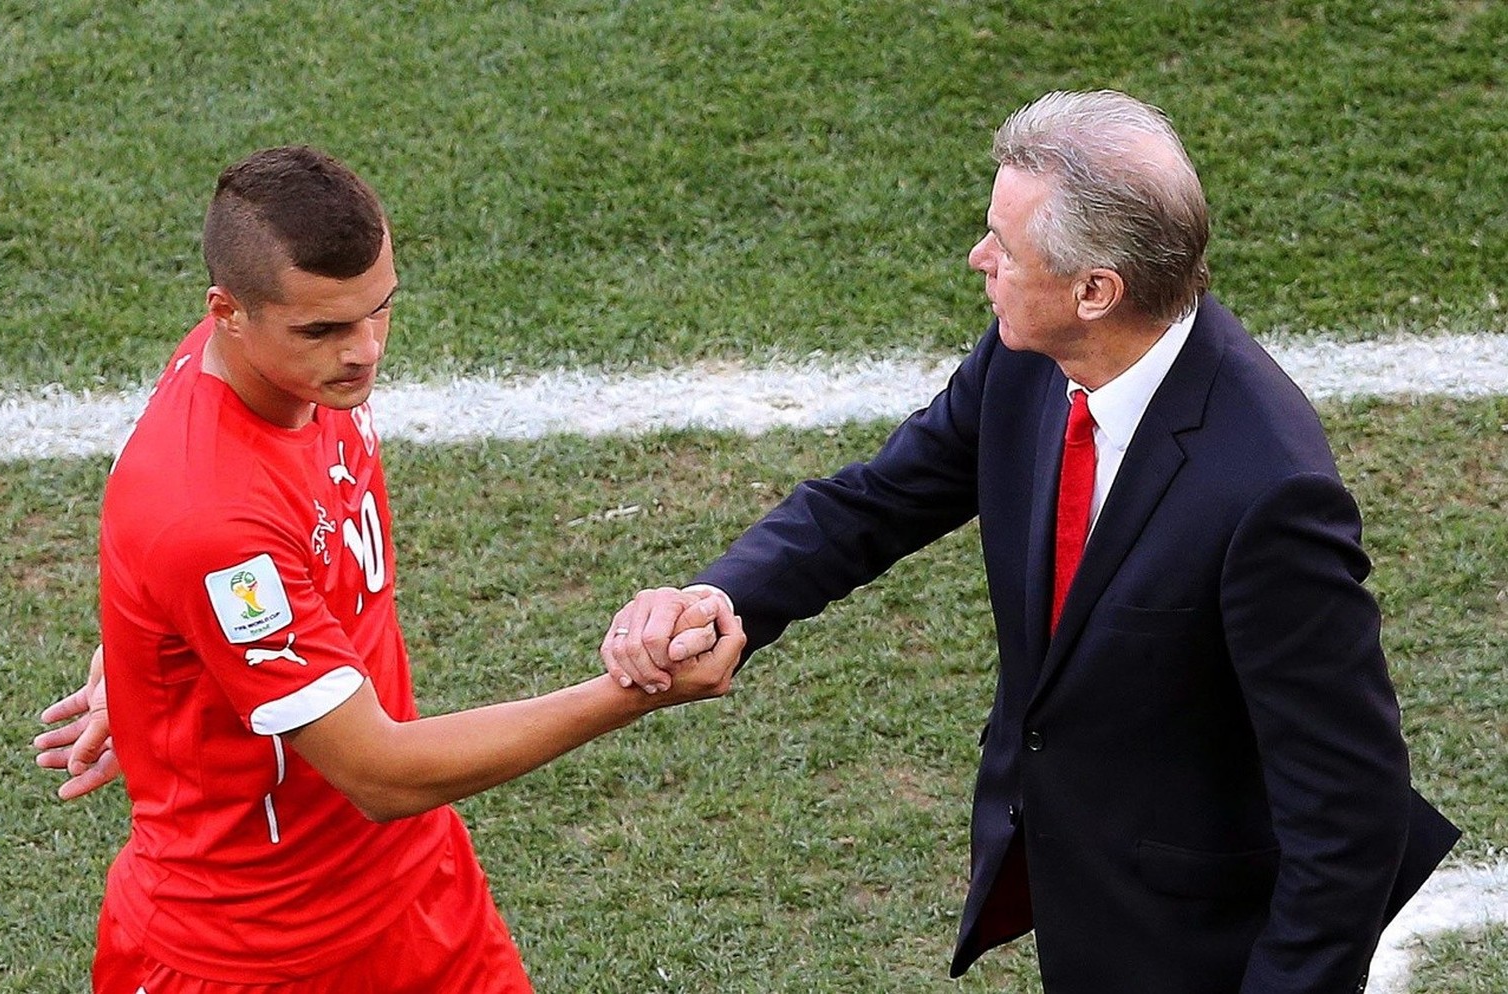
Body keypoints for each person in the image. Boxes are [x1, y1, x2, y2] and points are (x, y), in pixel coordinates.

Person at [600, 90, 1459, 994]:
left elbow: (1348, 808)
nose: (979, 261)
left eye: (1003, 249)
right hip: (1083, 882)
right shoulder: (1030, 354)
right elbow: (880, 497)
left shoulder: (1271, 493)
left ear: (1096, 290)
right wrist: (724, 596)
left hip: (1198, 932)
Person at [32, 145, 744, 993]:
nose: (363, 351)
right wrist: (636, 690)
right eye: (324, 330)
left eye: (380, 311)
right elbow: (378, 773)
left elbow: (172, 568)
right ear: (226, 313)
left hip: (423, 897)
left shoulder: (293, 375)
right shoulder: (211, 512)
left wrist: (143, 661)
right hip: (253, 957)